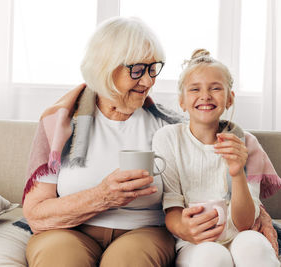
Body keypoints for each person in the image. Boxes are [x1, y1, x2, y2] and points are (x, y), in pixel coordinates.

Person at [22, 16, 178, 267]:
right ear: (105, 68)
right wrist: (102, 196)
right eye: (137, 70)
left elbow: (216, 146)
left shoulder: (168, 125)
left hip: (144, 231)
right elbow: (36, 212)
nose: (148, 81)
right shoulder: (60, 123)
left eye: (153, 69)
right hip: (70, 230)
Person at [152, 49, 281, 267]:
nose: (205, 96)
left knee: (253, 247)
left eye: (216, 88)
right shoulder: (168, 139)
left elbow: (245, 223)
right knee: (211, 257)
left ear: (229, 99)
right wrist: (186, 229)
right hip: (195, 243)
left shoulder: (246, 143)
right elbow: (173, 209)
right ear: (182, 101)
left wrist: (237, 172)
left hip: (241, 234)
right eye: (195, 89)